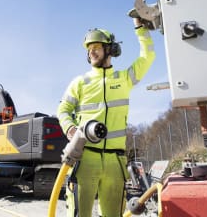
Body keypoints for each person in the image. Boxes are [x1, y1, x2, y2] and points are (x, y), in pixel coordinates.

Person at [57, 17, 155, 216]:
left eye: (96, 46)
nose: (91, 51)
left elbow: (148, 56)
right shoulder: (80, 82)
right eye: (89, 48)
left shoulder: (124, 79)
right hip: (85, 157)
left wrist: (140, 28)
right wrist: (70, 128)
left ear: (109, 49)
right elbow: (63, 109)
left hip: (115, 161)